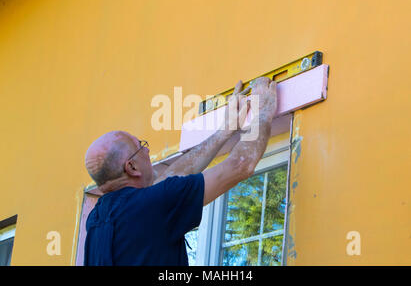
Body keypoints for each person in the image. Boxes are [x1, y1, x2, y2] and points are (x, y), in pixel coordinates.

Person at [83, 77, 277, 265]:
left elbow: (170, 179)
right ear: (132, 167)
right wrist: (263, 111)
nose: (148, 150)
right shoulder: (153, 204)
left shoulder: (98, 219)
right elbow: (241, 165)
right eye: (141, 146)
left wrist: (224, 131)